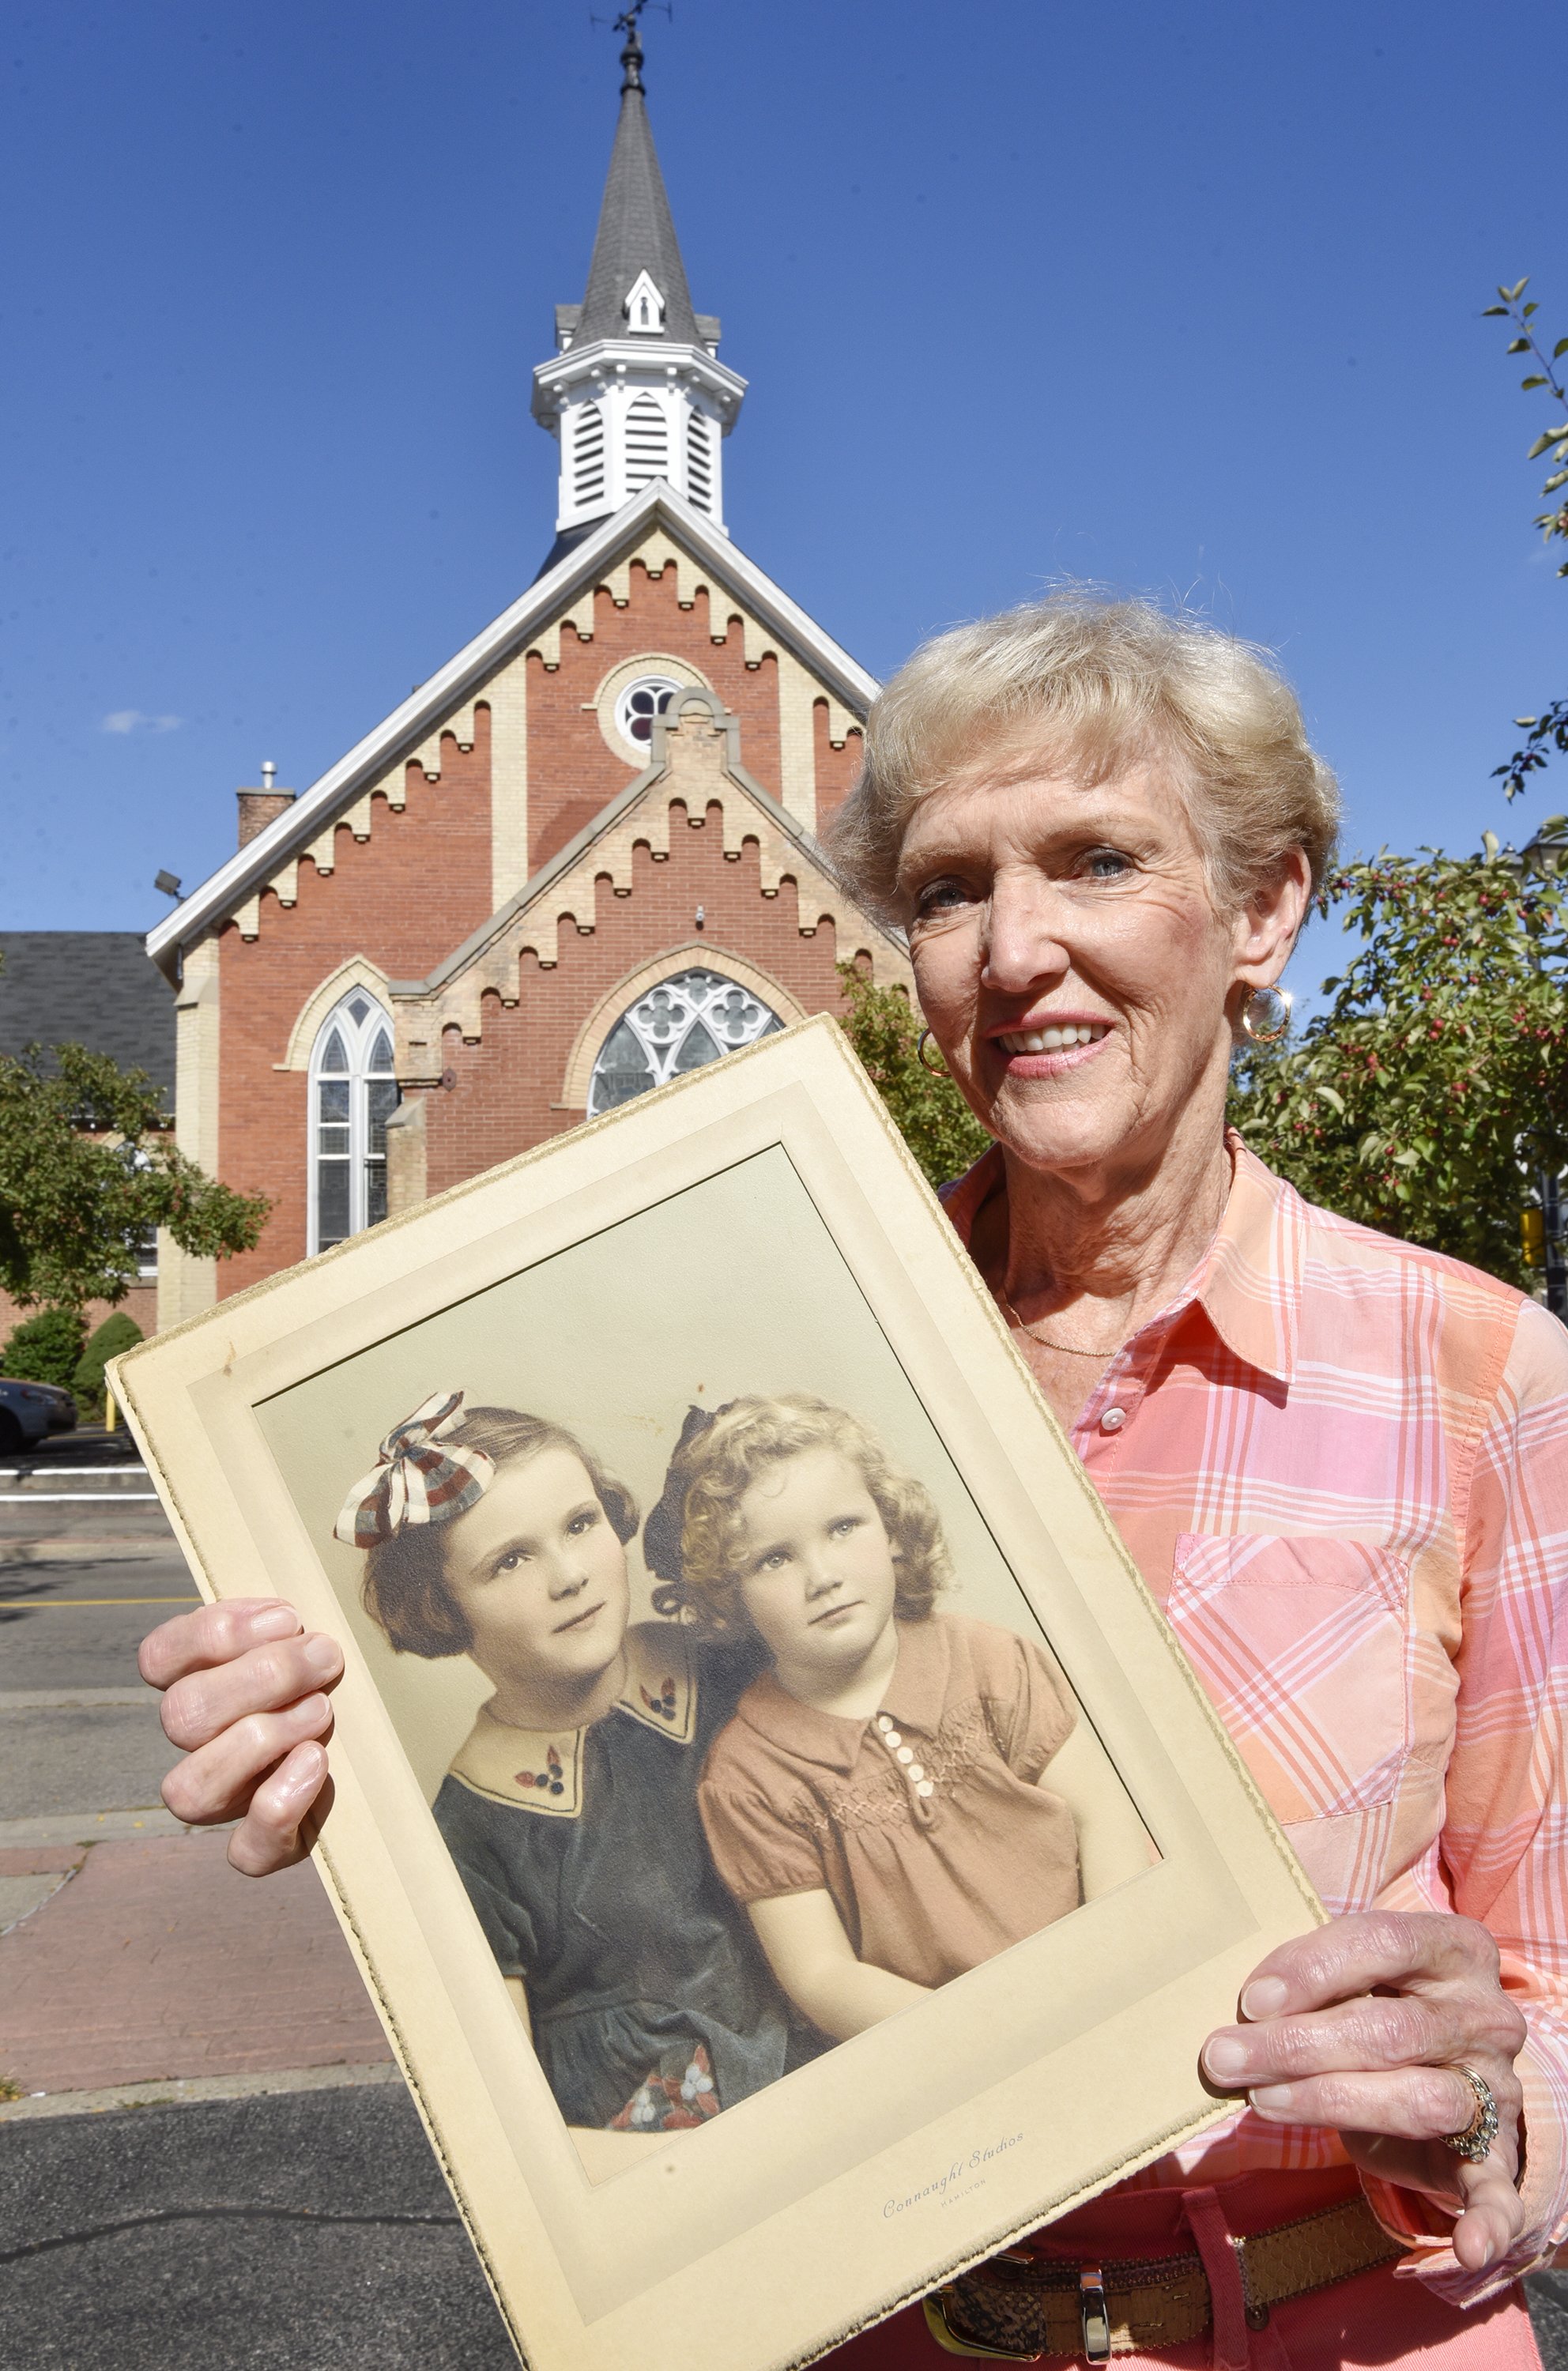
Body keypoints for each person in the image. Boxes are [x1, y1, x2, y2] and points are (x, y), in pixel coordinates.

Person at [139, 592, 1566, 2366]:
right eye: (949, 891)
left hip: (1345, 2322)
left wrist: (1492, 2111)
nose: (1014, 950)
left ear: (1261, 911)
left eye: (1096, 860)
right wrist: (333, 1743)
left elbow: (1550, 1987)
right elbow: (613, 1796)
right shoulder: (808, 1368)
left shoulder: (1474, 1375)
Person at [336, 1389, 817, 2159]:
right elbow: (511, 2140)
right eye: (510, 1560)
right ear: (441, 1607)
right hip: (663, 2156)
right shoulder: (472, 1832)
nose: (568, 1576)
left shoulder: (733, 1664)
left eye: (581, 1524)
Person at [646, 1392, 1148, 2040]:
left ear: (890, 1528)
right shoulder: (748, 1776)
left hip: (1114, 1967)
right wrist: (993, 2030)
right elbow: (822, 1975)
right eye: (774, 1559)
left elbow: (1103, 1815)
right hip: (959, 2038)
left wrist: (1115, 1958)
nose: (822, 1576)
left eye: (842, 1528)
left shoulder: (987, 1659)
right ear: (729, 1591)